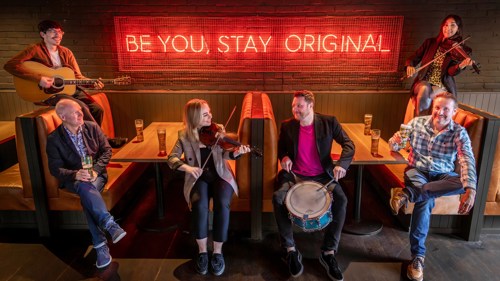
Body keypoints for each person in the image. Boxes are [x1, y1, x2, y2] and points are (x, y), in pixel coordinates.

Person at [389, 92, 477, 281]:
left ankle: (408, 193)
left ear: (454, 111)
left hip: (443, 175)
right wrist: (397, 141)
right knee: (424, 201)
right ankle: (417, 257)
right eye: (438, 107)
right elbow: (393, 145)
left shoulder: (459, 132)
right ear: (433, 108)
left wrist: (471, 190)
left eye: (446, 109)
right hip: (417, 171)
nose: (441, 112)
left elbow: (466, 159)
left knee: (464, 182)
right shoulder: (416, 123)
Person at [273, 90, 354, 281]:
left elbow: (349, 144)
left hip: (322, 176)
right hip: (294, 176)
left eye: (299, 106)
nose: (295, 109)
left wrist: (342, 165)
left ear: (310, 106)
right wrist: (284, 156)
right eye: (293, 106)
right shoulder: (287, 126)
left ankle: (329, 252)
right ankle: (290, 249)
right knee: (278, 198)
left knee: (341, 200)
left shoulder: (329, 122)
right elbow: (281, 149)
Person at [167, 99, 251, 276]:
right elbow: (171, 159)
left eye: (210, 112)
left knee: (222, 203)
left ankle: (218, 252)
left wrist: (236, 152)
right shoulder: (184, 135)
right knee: (199, 205)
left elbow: (226, 153)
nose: (210, 116)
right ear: (194, 117)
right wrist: (188, 168)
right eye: (205, 114)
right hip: (198, 178)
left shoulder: (217, 129)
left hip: (220, 175)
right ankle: (203, 251)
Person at [46, 99, 126, 269]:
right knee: (84, 187)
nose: (81, 114)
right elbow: (55, 169)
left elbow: (106, 151)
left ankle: (101, 245)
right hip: (74, 180)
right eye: (75, 112)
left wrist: (96, 169)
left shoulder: (91, 127)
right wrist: (76, 174)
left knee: (87, 196)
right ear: (63, 116)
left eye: (80, 110)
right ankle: (109, 224)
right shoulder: (54, 139)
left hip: (97, 175)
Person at [4, 19, 104, 125]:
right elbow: (10, 65)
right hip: (49, 94)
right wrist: (39, 79)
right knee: (82, 107)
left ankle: (90, 138)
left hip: (70, 90)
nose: (58, 35)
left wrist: (91, 84)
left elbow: (77, 77)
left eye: (60, 32)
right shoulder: (34, 49)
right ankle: (97, 138)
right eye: (53, 31)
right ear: (43, 34)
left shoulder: (66, 52)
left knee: (97, 109)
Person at [405, 14, 474, 119]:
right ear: (442, 27)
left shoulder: (459, 49)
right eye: (446, 25)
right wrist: (410, 66)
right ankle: (420, 124)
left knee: (442, 99)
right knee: (424, 88)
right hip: (424, 81)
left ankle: (430, 127)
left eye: (452, 25)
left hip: (442, 85)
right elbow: (414, 57)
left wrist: (460, 66)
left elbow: (451, 72)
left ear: (458, 29)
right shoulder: (430, 43)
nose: (448, 28)